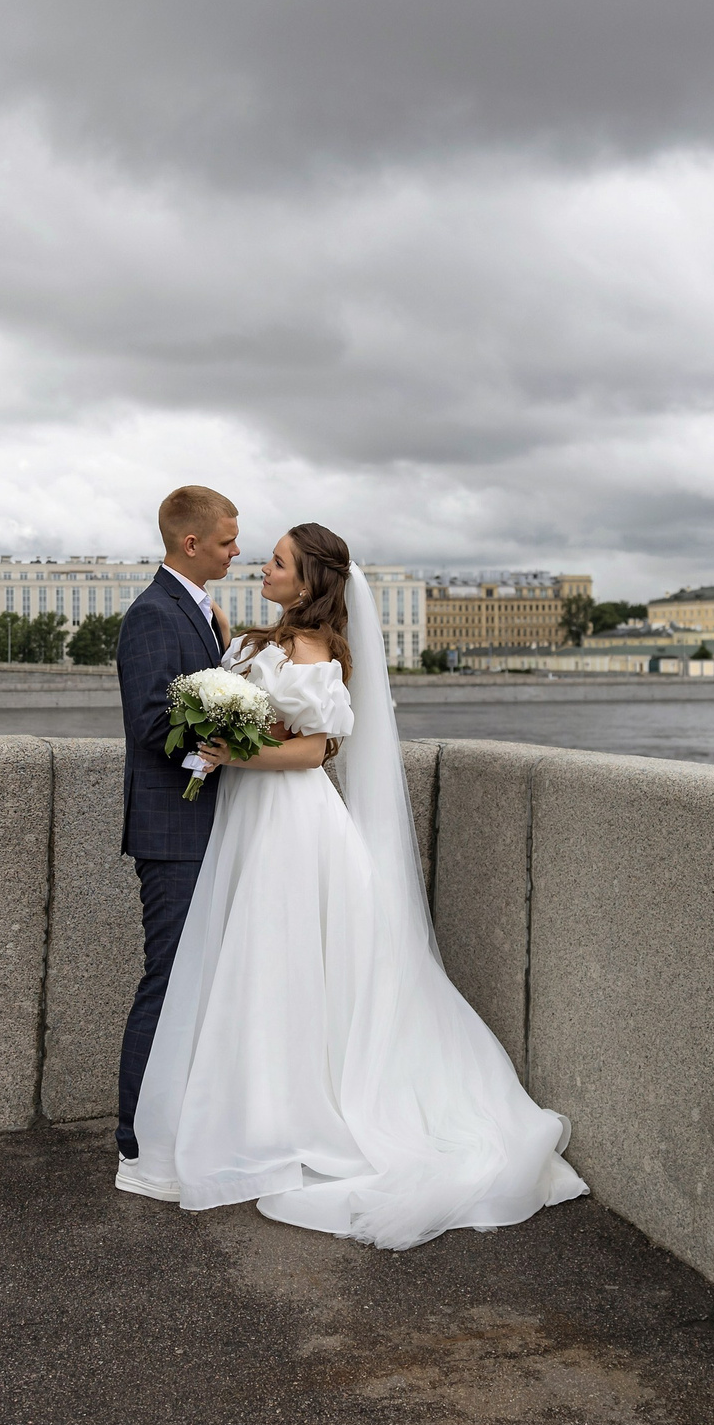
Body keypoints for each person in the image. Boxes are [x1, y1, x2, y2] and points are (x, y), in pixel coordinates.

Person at [117, 520, 587, 1249]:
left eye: (275, 562)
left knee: (288, 964)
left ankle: (288, 1115)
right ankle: (253, 1111)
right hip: (246, 820)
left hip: (291, 822)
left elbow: (310, 751)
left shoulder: (318, 651)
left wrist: (234, 751)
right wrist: (223, 639)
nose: (259, 567)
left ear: (307, 582)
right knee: (253, 969)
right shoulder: (261, 638)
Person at [111, 486, 240, 1177]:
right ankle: (135, 1144)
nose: (236, 550)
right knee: (167, 984)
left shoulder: (197, 614)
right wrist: (229, 750)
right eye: (225, 541)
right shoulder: (154, 614)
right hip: (174, 833)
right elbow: (153, 725)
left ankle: (177, 1128)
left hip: (198, 828)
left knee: (194, 986)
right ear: (191, 544)